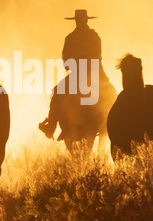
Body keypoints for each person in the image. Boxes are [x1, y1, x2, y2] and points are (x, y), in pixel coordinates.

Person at [39, 9, 106, 139]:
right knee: (58, 91)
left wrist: (83, 57)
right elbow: (65, 59)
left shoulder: (93, 37)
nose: (80, 22)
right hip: (78, 73)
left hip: (93, 72)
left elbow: (97, 56)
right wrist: (73, 60)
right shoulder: (71, 38)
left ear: (85, 20)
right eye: (78, 20)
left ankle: (108, 122)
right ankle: (51, 126)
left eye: (81, 20)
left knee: (110, 94)